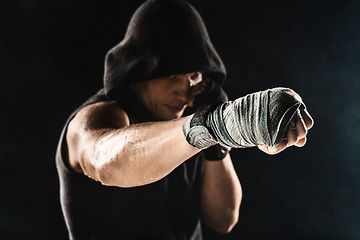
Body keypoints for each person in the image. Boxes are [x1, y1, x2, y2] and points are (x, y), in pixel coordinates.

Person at [55, 0, 314, 239]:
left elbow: (224, 218)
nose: (184, 90)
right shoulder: (96, 117)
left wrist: (220, 135)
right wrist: (215, 124)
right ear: (141, 69)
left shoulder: (194, 117)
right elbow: (105, 161)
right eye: (172, 76)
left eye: (193, 77)